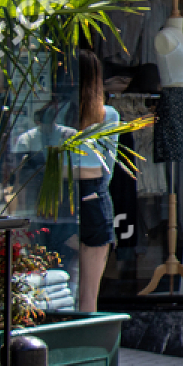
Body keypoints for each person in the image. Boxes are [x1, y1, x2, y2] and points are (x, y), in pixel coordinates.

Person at [74, 49, 120, 314]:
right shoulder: (106, 115)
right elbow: (106, 166)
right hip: (94, 195)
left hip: (60, 197)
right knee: (89, 294)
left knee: (62, 281)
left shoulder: (55, 116)